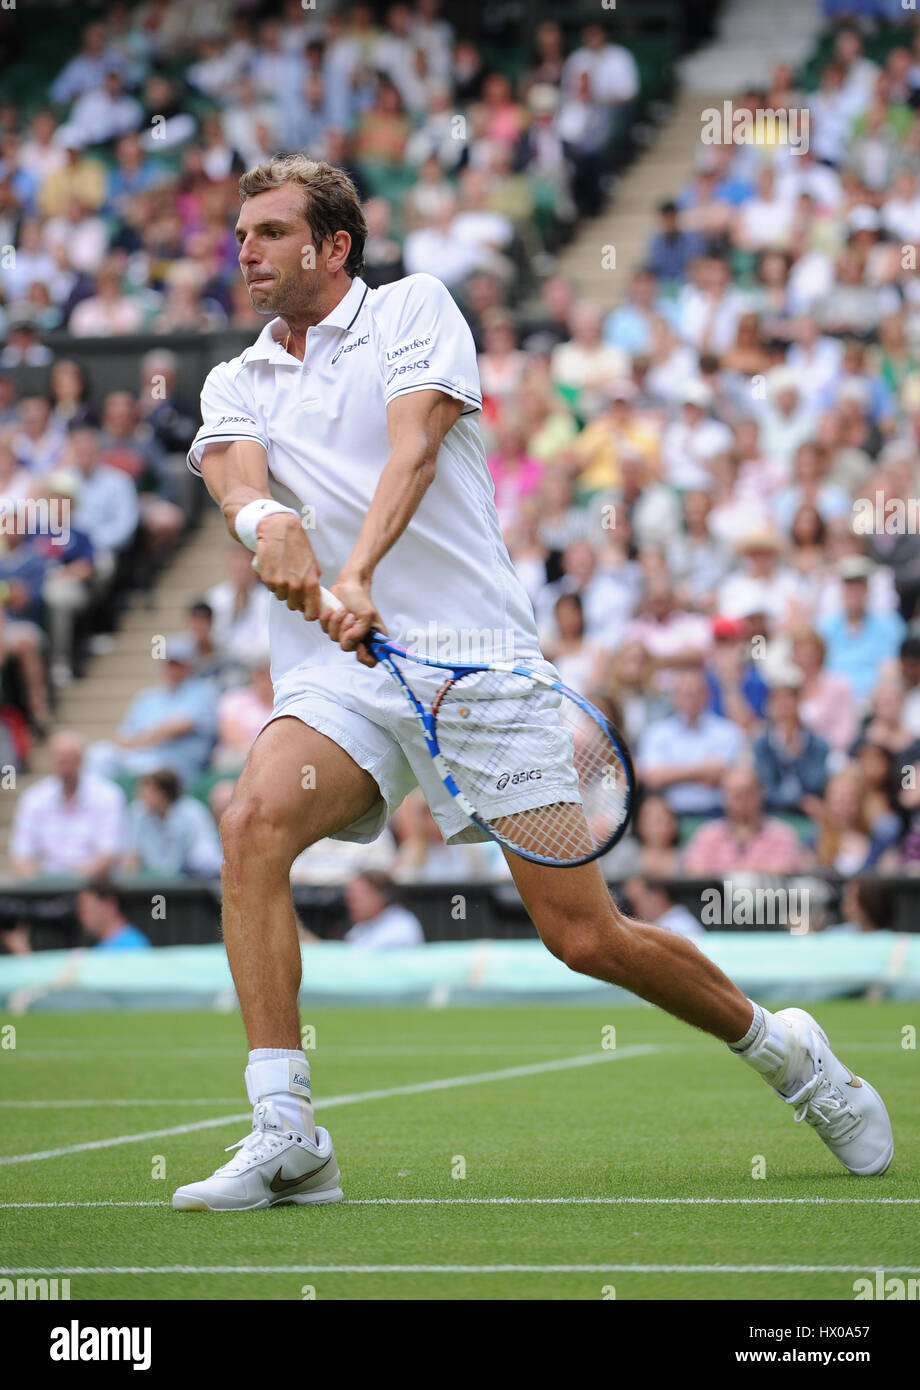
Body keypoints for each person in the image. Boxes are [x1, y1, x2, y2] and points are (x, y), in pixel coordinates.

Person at [170, 155, 892, 1214]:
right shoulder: (236, 375)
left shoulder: (417, 308)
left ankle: (787, 1055)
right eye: (243, 232)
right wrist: (261, 521)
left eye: (273, 232)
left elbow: (413, 447)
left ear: (334, 247)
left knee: (580, 935)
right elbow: (233, 467)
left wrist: (355, 569)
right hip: (342, 674)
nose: (246, 249)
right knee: (251, 825)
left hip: (472, 658)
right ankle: (289, 1135)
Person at [9, 730, 125, 877]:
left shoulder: (108, 795)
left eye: (70, 757)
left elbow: (107, 855)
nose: (64, 763)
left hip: (93, 887)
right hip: (45, 889)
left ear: (82, 759)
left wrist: (73, 883)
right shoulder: (34, 798)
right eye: (59, 757)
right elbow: (21, 855)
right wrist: (41, 883)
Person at [683, 765, 804, 875]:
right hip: (716, 898)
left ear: (760, 793)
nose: (742, 801)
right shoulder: (708, 835)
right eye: (735, 794)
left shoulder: (781, 835)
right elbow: (696, 875)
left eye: (747, 792)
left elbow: (781, 875)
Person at [122, 769, 223, 878]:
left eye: (146, 790)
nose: (140, 794)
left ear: (161, 793)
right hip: (154, 882)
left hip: (191, 879)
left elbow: (205, 855)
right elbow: (132, 854)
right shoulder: (138, 813)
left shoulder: (193, 813)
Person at [76, 879, 151, 951]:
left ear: (110, 905)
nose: (82, 917)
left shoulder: (134, 947)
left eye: (86, 910)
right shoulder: (99, 948)